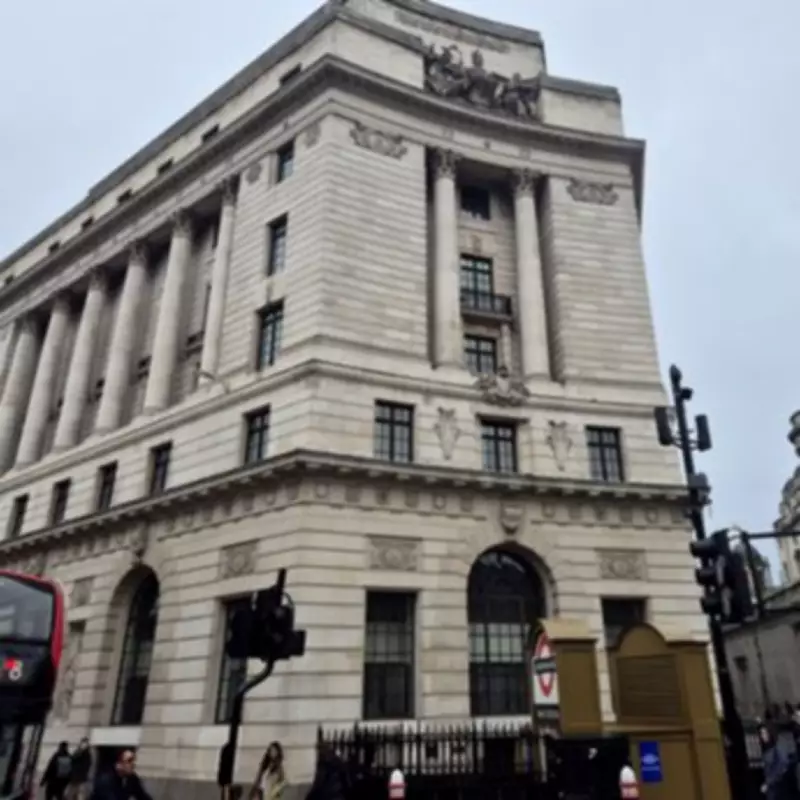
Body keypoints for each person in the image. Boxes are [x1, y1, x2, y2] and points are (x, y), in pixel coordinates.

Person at [760, 724, 798, 800]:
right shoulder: (768, 746)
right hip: (774, 785)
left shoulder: (778, 745)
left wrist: (768, 782)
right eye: (761, 733)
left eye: (765, 733)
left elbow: (781, 763)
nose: (762, 736)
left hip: (778, 785)